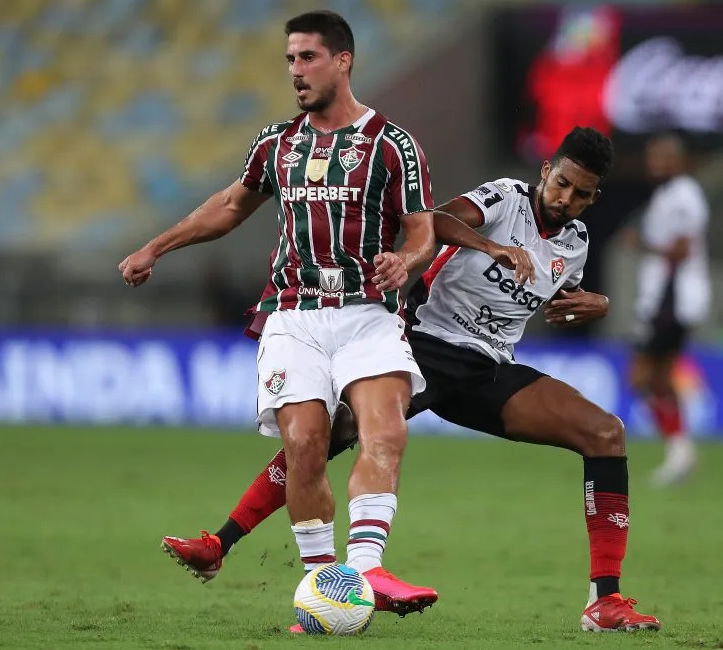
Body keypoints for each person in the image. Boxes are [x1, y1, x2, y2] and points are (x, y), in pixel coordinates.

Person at [163, 127, 662, 633]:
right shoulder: (506, 199)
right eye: (561, 183)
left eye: (581, 193)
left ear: (595, 197)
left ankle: (605, 602)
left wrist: (596, 303)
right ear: (545, 172)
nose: (565, 199)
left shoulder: (575, 243)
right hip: (425, 344)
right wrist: (492, 247)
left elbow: (553, 287)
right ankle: (220, 545)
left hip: (487, 368)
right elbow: (436, 222)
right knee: (324, 438)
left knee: (606, 434)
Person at [119, 10, 439, 614]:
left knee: (385, 430)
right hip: (294, 316)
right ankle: (324, 590)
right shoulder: (278, 143)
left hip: (369, 313)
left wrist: (408, 260)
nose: (295, 71)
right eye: (290, 59)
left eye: (307, 57)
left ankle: (366, 571)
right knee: (304, 445)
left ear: (342, 60)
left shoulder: (393, 145)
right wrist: (155, 246)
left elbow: (422, 231)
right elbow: (230, 205)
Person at [626, 134, 710, 487]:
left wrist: (641, 244)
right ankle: (680, 450)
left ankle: (680, 449)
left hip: (672, 298)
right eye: (651, 158)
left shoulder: (684, 195)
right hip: (662, 298)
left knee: (643, 378)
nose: (654, 165)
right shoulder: (664, 196)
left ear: (679, 160)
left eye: (662, 158)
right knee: (657, 378)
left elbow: (680, 252)